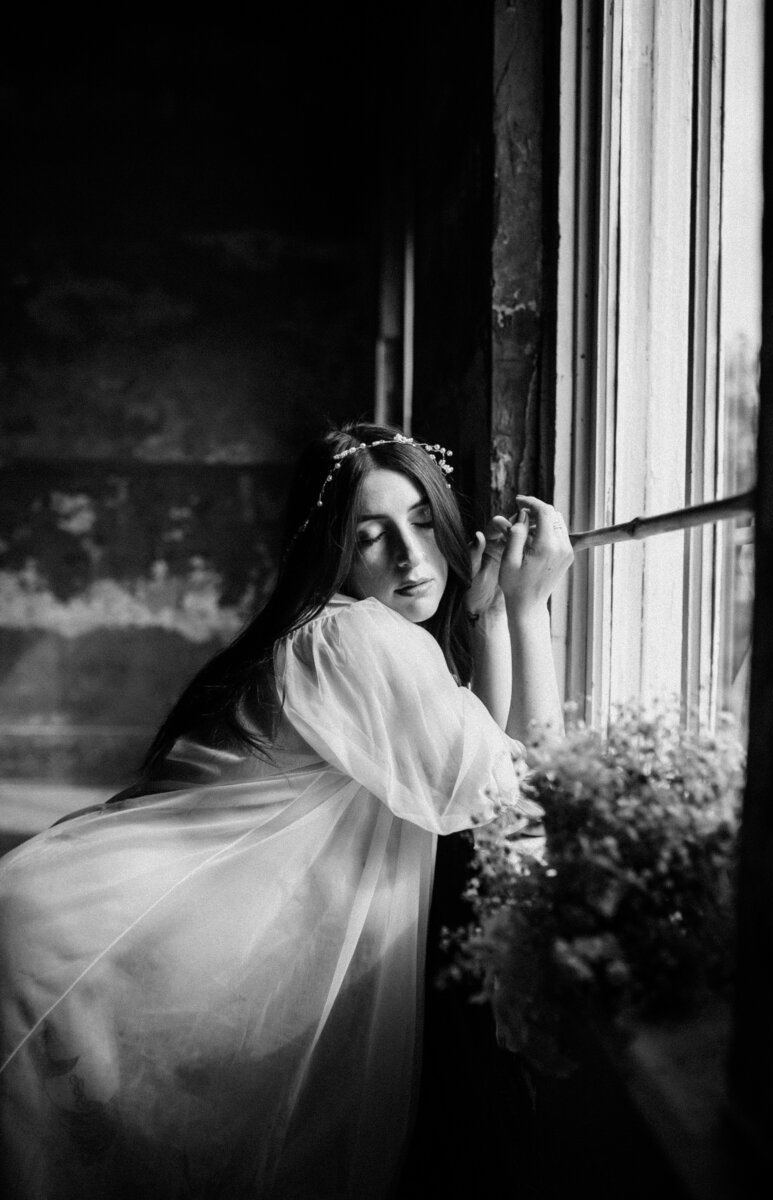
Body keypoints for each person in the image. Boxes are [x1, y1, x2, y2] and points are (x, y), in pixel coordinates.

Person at [0, 421, 573, 1199]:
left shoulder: (338, 633)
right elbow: (526, 791)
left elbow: (464, 756)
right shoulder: (355, 636)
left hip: (90, 916)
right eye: (374, 535)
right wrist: (533, 606)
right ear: (332, 550)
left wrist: (494, 619)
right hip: (105, 945)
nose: (410, 556)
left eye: (421, 522)